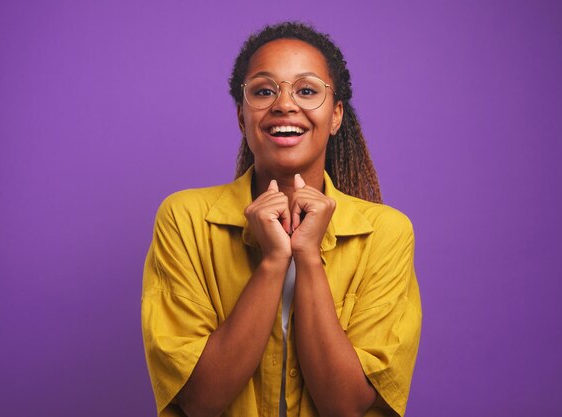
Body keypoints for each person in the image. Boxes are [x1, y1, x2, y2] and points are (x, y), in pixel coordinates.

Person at [141, 22, 421, 417]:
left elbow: (346, 408)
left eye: (306, 90)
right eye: (264, 90)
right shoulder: (184, 219)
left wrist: (307, 256)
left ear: (336, 115)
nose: (284, 104)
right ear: (242, 116)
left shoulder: (387, 233)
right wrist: (273, 262)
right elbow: (200, 402)